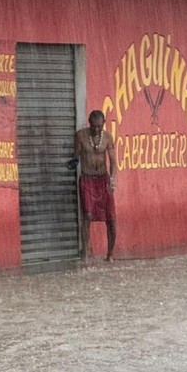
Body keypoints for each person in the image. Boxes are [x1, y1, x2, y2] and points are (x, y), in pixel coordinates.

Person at [74, 109, 118, 261]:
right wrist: (72, 162)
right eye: (94, 126)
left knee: (111, 218)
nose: (96, 129)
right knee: (87, 215)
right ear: (89, 123)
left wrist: (112, 179)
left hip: (103, 180)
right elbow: (76, 156)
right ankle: (85, 255)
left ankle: (110, 255)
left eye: (99, 126)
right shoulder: (80, 136)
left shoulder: (107, 138)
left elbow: (113, 161)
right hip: (87, 180)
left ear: (103, 124)